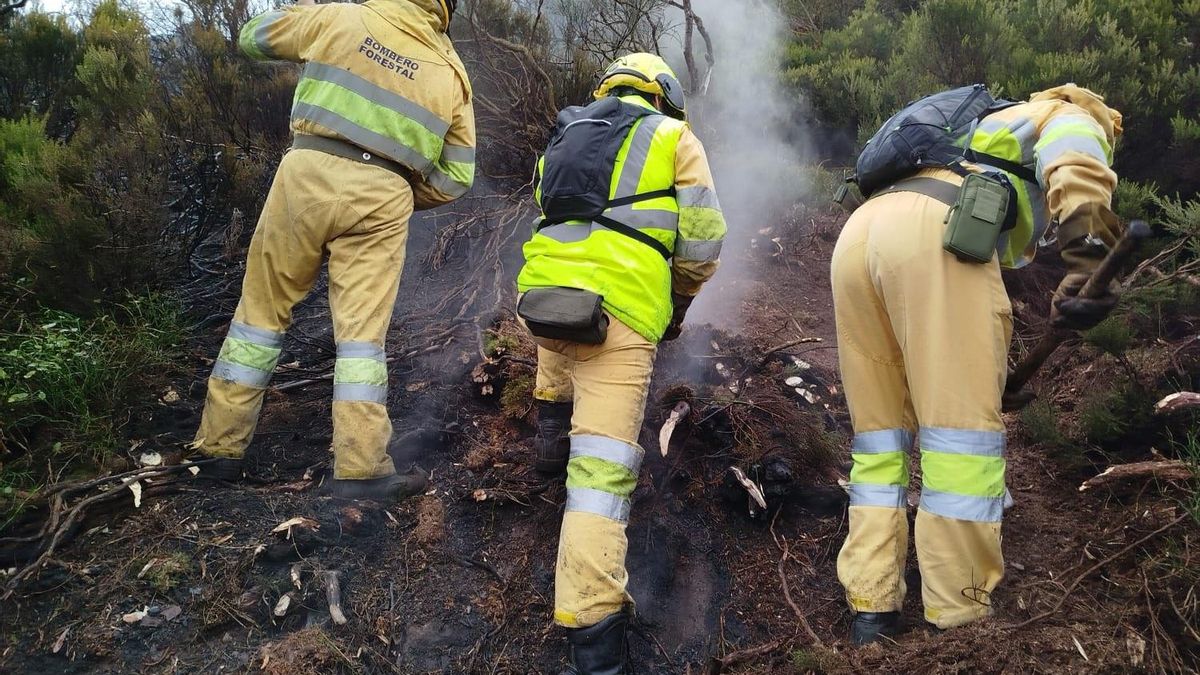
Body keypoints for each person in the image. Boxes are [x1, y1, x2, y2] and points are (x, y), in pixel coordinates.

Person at [832, 84, 1123, 644]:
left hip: (859, 238)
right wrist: (1090, 253)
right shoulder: (1065, 115)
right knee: (961, 444)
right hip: (936, 230)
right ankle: (958, 615)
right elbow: (1078, 162)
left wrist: (989, 383)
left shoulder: (980, 129)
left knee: (879, 440)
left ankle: (871, 607)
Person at [190, 0, 474, 502]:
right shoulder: (451, 73)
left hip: (307, 174)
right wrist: (401, 188)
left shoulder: (341, 16)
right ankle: (361, 467)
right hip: (384, 197)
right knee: (363, 340)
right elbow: (456, 176)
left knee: (258, 317)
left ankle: (218, 451)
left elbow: (252, 36)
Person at [516, 53, 726, 674]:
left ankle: (547, 452)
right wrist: (677, 304)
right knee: (601, 480)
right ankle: (595, 634)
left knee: (559, 353)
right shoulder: (673, 135)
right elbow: (705, 238)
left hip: (543, 299)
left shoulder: (566, 136)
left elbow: (550, 212)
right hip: (622, 314)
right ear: (663, 95)